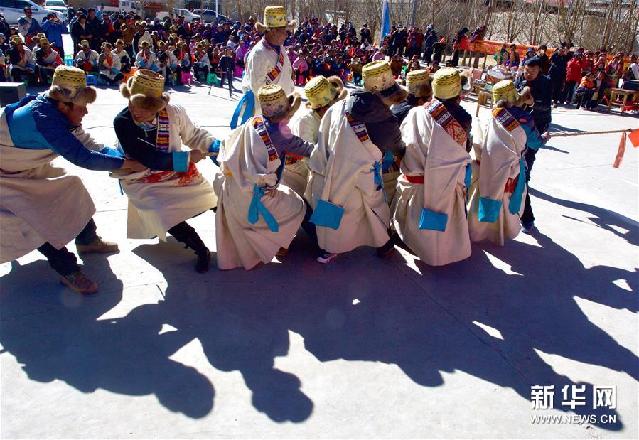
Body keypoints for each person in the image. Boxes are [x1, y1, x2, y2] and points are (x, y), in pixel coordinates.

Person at [0, 66, 144, 294]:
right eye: (82, 107)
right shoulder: (44, 119)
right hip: (4, 179)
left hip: (25, 171)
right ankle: (68, 270)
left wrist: (120, 156)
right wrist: (126, 164)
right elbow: (82, 157)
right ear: (62, 104)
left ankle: (87, 240)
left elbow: (87, 142)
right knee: (36, 218)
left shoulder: (58, 113)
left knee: (71, 187)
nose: (85, 113)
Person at [113, 70, 217, 273]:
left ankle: (239, 230)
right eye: (133, 104)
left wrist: (213, 145)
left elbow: (193, 135)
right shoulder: (122, 122)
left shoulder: (173, 112)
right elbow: (148, 157)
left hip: (175, 172)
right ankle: (199, 248)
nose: (137, 111)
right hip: (141, 176)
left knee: (212, 198)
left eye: (144, 108)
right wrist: (187, 158)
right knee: (162, 212)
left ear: (157, 106)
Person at [307, 61, 406, 264]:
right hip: (363, 177)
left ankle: (328, 247)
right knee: (374, 211)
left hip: (331, 173)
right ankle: (384, 245)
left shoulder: (340, 106)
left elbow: (323, 138)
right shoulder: (386, 122)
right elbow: (395, 146)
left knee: (335, 209)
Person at [214, 84, 315, 270]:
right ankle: (284, 244)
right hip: (257, 195)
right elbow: (306, 148)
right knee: (298, 207)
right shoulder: (281, 131)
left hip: (235, 190)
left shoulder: (255, 121)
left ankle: (275, 243)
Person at [392, 67, 472, 266]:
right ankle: (443, 252)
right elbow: (465, 149)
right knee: (441, 229)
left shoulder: (417, 112)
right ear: (458, 92)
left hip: (414, 181)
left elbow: (402, 143)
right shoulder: (463, 118)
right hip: (447, 183)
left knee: (410, 225)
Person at [467, 80, 543, 246]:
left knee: (483, 198)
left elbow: (478, 141)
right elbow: (535, 143)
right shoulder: (525, 118)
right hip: (511, 173)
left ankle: (478, 232)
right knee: (508, 204)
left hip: (486, 171)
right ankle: (513, 229)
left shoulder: (490, 116)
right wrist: (543, 138)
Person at [233, 5, 295, 128]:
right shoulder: (258, 54)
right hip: (265, 115)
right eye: (284, 31)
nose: (286, 35)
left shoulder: (281, 49)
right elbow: (258, 88)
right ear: (273, 31)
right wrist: (275, 111)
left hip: (280, 112)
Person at [285, 75, 346, 197]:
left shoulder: (330, 116)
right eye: (331, 104)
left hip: (318, 164)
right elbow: (308, 157)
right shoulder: (306, 121)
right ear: (324, 107)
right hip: (297, 171)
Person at [515, 56, 552, 233]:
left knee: (524, 172)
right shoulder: (520, 81)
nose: (528, 73)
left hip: (535, 128)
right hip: (518, 130)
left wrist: (532, 103)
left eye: (532, 70)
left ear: (539, 70)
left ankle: (527, 219)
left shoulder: (546, 83)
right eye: (526, 70)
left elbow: (545, 107)